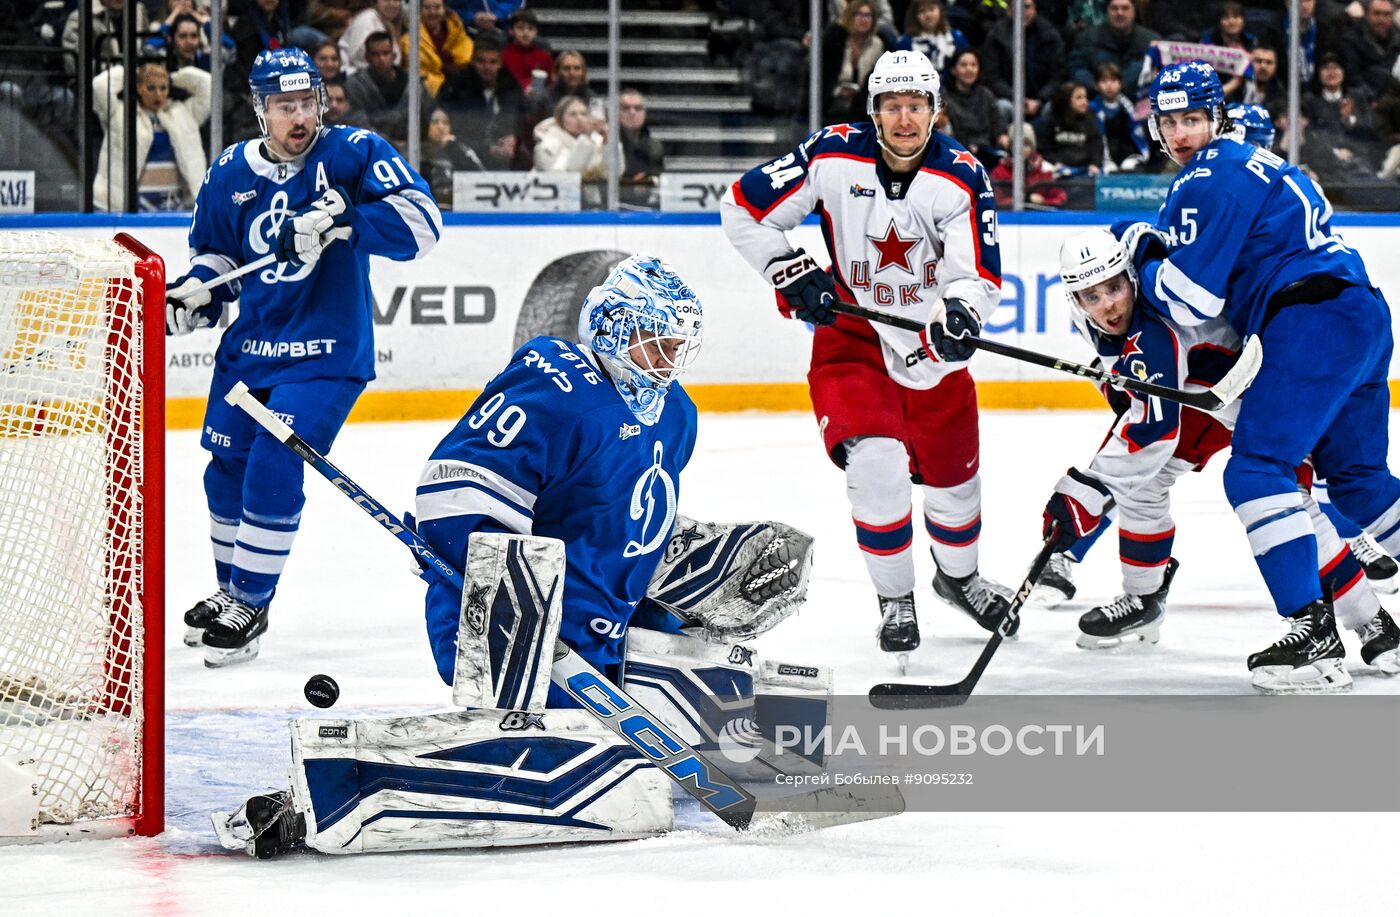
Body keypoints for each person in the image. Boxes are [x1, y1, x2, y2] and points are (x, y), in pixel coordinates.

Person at [211, 256, 822, 858]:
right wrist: (512, 602)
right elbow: (457, 495)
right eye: (651, 344)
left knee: (698, 726)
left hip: (602, 634)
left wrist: (683, 597)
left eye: (675, 347)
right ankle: (330, 793)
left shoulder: (677, 414)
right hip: (501, 623)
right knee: (590, 771)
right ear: (609, 328)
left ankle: (736, 727)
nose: (665, 362)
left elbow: (625, 522)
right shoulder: (554, 385)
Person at [1108, 60, 1400, 693]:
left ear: (1216, 119)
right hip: (1362, 312)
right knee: (1357, 481)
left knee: (1256, 470)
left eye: (1194, 119)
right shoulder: (1260, 166)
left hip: (1310, 319)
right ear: (1155, 126)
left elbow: (1189, 302)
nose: (1182, 132)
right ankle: (1350, 626)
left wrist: (1143, 248)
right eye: (1171, 120)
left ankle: (1312, 634)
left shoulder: (1208, 178)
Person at [720, 49, 1014, 667]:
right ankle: (895, 599)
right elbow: (742, 208)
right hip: (853, 335)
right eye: (891, 107)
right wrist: (787, 270)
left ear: (936, 112)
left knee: (957, 489)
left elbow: (976, 275)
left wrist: (960, 314)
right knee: (875, 463)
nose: (904, 119)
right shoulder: (831, 154)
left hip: (931, 349)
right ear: (873, 111)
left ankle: (959, 578)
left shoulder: (963, 176)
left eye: (916, 107)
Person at [166, 47, 442, 667]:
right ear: (260, 109)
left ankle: (252, 604)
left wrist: (346, 217)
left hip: (327, 352)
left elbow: (425, 223)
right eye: (285, 105)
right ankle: (230, 588)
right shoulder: (229, 171)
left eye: (308, 102)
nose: (300, 117)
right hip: (251, 350)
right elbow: (219, 260)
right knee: (225, 468)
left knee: (271, 461)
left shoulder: (353, 153)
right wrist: (194, 295)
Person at [1041, 228, 1399, 673]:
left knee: (1285, 502)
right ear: (1074, 299)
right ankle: (1143, 596)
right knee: (1145, 486)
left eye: (1114, 288)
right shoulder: (1098, 302)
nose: (1108, 304)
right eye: (1092, 296)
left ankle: (1370, 622)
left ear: (1130, 278)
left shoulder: (1156, 331)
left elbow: (1152, 433)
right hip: (1197, 394)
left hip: (1257, 394)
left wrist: (1085, 493)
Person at [91, 61, 211, 211]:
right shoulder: (120, 113)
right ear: (139, 88)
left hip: (175, 205)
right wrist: (135, 74)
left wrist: (172, 77)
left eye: (163, 87)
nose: (158, 94)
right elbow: (100, 85)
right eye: (151, 87)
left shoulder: (184, 113)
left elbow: (209, 85)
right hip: (130, 206)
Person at [344, 31, 435, 147]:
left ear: (394, 56)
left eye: (385, 53)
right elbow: (359, 126)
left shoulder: (414, 85)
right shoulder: (355, 86)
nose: (381, 59)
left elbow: (428, 117)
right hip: (374, 151)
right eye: (375, 54)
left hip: (415, 151)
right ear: (367, 57)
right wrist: (394, 145)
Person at [1067, 0, 1159, 92]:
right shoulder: (1087, 39)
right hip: (1096, 98)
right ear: (1107, 12)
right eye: (1114, 8)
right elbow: (1077, 69)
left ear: (1134, 11)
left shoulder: (1151, 41)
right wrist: (1099, 87)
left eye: (1125, 8)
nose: (1120, 13)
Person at [940, 48, 1009, 169]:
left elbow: (999, 130)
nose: (969, 69)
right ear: (953, 70)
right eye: (963, 65)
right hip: (957, 154)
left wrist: (1009, 144)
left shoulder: (986, 95)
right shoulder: (943, 97)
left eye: (973, 65)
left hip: (987, 153)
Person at [821, 0, 887, 124]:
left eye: (868, 16)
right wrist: (838, 91)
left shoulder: (878, 45)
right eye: (859, 15)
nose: (864, 19)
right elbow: (825, 78)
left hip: (864, 106)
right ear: (850, 17)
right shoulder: (835, 42)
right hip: (834, 105)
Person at [406, 0, 474, 97]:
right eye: (427, 8)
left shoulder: (457, 31)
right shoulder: (410, 40)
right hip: (431, 93)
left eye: (437, 7)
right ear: (420, 11)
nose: (432, 12)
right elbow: (421, 71)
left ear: (444, 10)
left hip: (461, 84)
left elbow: (467, 55)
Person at [1091, 62, 1149, 172]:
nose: (1109, 85)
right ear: (1096, 85)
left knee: (1131, 167)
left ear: (1121, 83)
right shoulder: (1092, 109)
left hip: (1129, 156)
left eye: (1113, 80)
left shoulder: (1129, 108)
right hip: (1103, 159)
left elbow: (1138, 135)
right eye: (1103, 81)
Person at [532, 95, 606, 180]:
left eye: (583, 114)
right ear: (560, 119)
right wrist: (586, 138)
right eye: (572, 114)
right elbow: (567, 176)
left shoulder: (596, 142)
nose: (579, 118)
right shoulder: (545, 146)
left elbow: (613, 173)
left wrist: (608, 142)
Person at [895, 0, 967, 75]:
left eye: (931, 9)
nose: (928, 15)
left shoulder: (956, 37)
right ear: (915, 16)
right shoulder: (905, 43)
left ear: (940, 11)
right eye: (922, 11)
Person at [340, 0, 405, 76]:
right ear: (376, 2)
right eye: (386, 0)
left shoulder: (388, 23)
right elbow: (357, 58)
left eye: (396, 0)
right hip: (356, 78)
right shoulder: (366, 20)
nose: (392, 4)